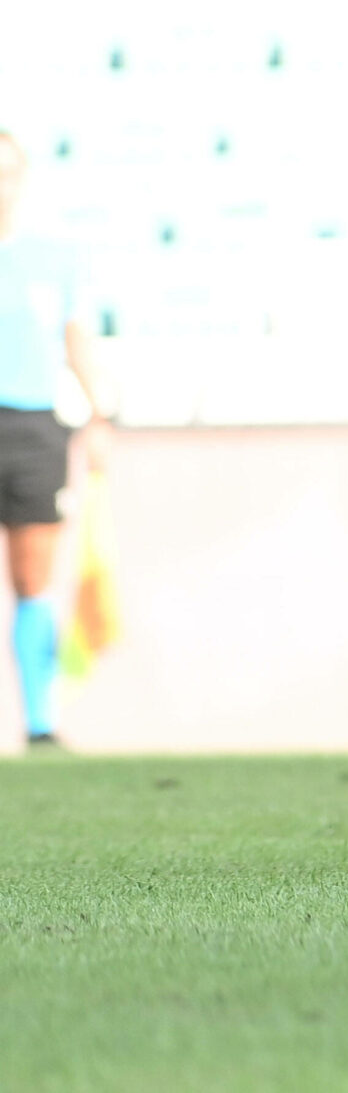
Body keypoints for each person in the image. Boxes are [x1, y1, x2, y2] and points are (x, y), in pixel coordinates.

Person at [0, 130, 113, 752]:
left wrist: (99, 418)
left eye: (8, 173)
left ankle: (40, 722)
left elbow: (77, 345)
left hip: (34, 429)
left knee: (33, 575)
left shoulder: (54, 258)